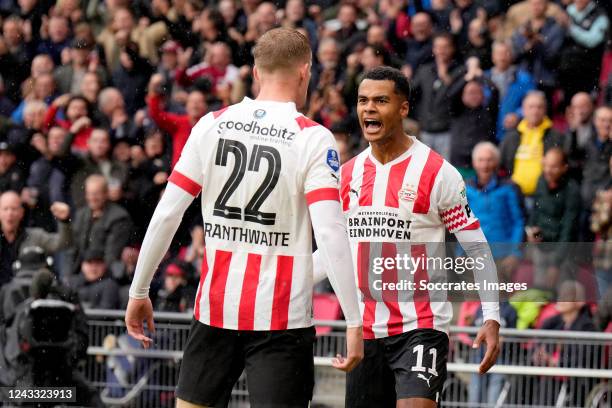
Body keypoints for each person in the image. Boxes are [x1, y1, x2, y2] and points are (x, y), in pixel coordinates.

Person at [125, 28, 363, 408]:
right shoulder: (312, 138)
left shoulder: (211, 124)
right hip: (281, 321)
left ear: (255, 71)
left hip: (216, 311)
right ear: (305, 72)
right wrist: (354, 320)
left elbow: (168, 213)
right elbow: (332, 233)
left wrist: (139, 291)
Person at [314, 66, 500, 408]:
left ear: (403, 108)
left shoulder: (438, 172)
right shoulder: (347, 174)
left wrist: (492, 315)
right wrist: (284, 283)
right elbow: (331, 251)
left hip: (421, 326)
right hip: (365, 329)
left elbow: (475, 245)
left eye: (381, 100)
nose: (369, 108)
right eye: (363, 100)